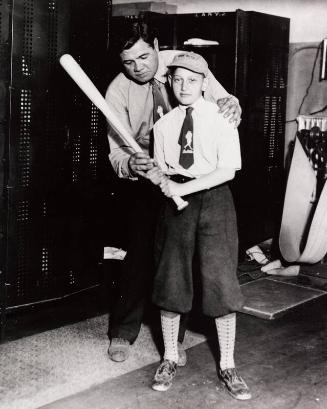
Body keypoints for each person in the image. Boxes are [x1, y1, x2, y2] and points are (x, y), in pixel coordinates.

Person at [105, 16, 242, 365]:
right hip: (147, 175)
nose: (138, 68)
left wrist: (231, 104)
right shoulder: (117, 90)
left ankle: (173, 342)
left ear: (156, 48)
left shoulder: (181, 65)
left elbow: (223, 101)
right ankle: (122, 331)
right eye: (128, 62)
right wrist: (130, 165)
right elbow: (117, 153)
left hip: (191, 178)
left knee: (179, 260)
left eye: (143, 58)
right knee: (139, 252)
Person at [147, 51, 251, 400]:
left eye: (192, 80)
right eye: (177, 79)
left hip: (216, 201)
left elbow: (228, 170)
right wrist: (159, 178)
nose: (183, 86)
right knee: (171, 280)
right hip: (176, 206)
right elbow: (162, 169)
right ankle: (170, 357)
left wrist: (180, 187)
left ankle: (228, 364)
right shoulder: (163, 126)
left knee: (221, 283)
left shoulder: (223, 118)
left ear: (205, 83)